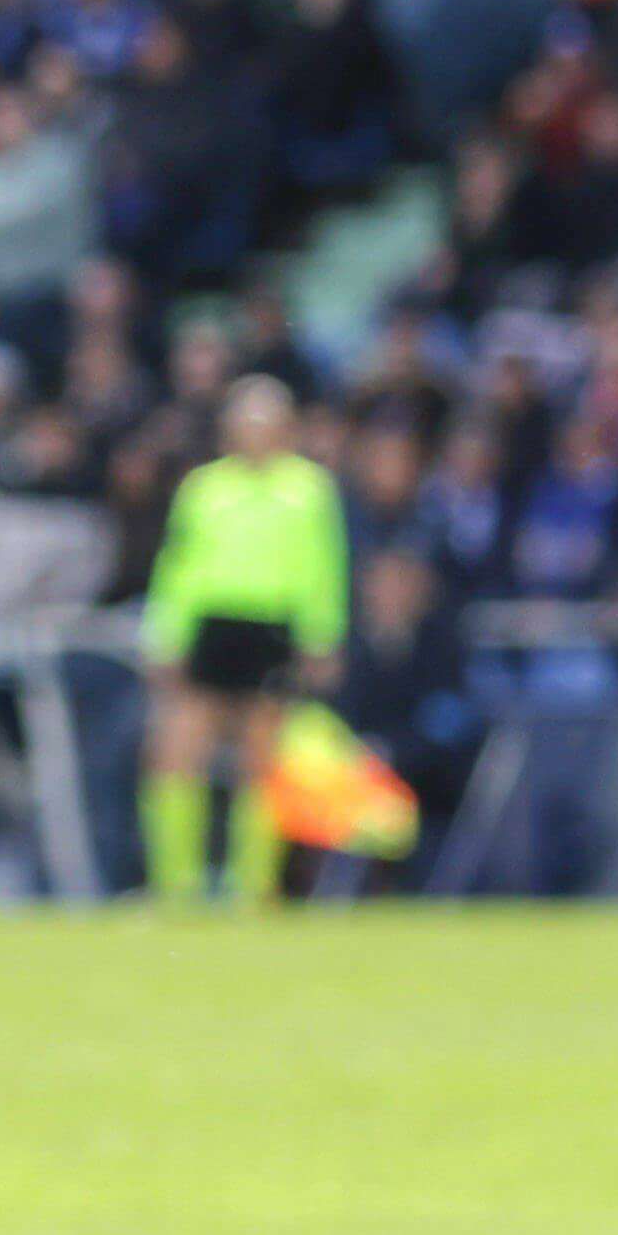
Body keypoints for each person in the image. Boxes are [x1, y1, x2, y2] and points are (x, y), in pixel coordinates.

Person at [137, 371, 346, 904]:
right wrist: (166, 635)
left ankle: (252, 886)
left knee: (261, 759)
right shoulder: (205, 488)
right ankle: (176, 885)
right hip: (212, 626)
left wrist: (322, 636)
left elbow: (323, 569)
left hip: (270, 627)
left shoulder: (308, 489)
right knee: (177, 752)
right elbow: (178, 567)